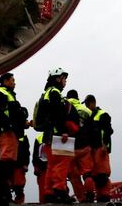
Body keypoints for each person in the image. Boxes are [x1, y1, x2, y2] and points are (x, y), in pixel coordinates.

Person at [0, 73, 28, 204]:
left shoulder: (8, 94)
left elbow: (12, 114)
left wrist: (24, 123)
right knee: (6, 162)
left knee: (8, 162)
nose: (14, 82)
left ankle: (4, 194)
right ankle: (3, 194)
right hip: (6, 132)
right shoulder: (0, 93)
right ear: (5, 81)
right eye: (12, 80)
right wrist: (9, 125)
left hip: (10, 132)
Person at [38, 67, 75, 204]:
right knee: (62, 162)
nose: (65, 81)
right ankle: (60, 190)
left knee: (52, 165)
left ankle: (49, 192)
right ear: (58, 78)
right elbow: (57, 114)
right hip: (57, 133)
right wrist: (64, 130)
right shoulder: (55, 93)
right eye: (64, 78)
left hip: (48, 135)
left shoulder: (47, 93)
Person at [65, 89, 94, 202]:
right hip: (84, 146)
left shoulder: (65, 108)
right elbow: (93, 130)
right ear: (77, 98)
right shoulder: (87, 110)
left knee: (73, 176)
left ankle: (82, 199)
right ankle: (90, 194)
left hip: (69, 147)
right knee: (87, 173)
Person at [84, 94, 114, 202]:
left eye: (87, 104)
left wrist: (105, 145)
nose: (86, 107)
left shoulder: (103, 115)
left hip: (100, 148)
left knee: (102, 176)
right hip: (91, 150)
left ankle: (104, 198)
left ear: (93, 103)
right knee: (93, 175)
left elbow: (108, 130)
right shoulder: (89, 116)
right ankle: (98, 197)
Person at [32, 132, 48, 204]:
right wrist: (36, 166)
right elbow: (35, 154)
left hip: (53, 167)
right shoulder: (39, 138)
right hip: (43, 168)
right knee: (43, 189)